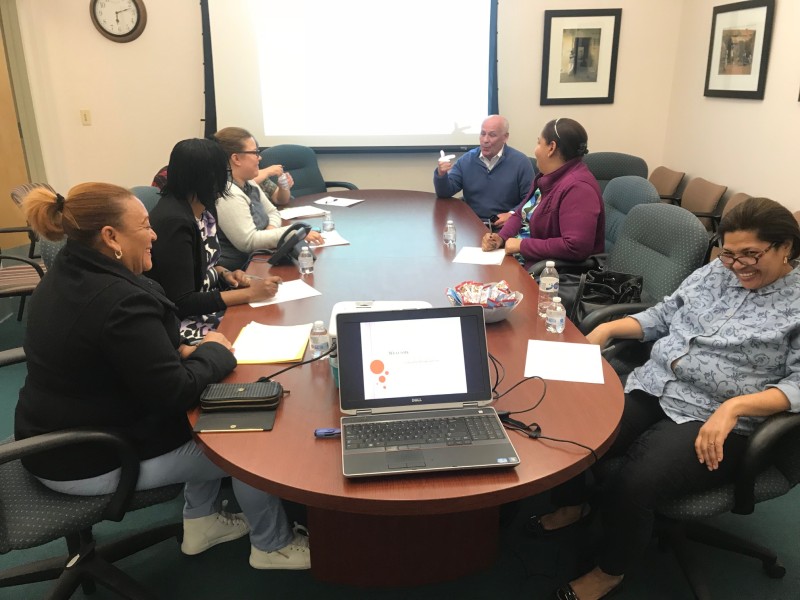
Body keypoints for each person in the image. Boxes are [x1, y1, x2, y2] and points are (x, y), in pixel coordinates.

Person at [15, 183, 310, 570]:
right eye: (144, 225)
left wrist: (184, 350)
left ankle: (201, 524)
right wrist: (216, 353)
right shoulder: (119, 301)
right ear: (111, 236)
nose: (154, 233)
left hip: (48, 437)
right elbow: (176, 393)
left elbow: (120, 352)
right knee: (246, 443)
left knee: (217, 410)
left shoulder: (69, 272)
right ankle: (272, 546)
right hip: (89, 456)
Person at [540, 197, 800, 600]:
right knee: (580, 428)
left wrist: (735, 406)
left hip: (719, 417)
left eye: (751, 254)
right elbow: (662, 316)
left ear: (786, 248)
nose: (737, 265)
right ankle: (574, 504)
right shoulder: (715, 272)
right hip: (657, 383)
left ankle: (611, 570)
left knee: (636, 480)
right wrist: (606, 331)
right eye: (729, 253)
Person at [148, 138, 282, 342]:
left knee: (273, 320)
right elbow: (182, 301)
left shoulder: (205, 206)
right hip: (184, 323)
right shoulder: (173, 222)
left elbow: (206, 263)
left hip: (213, 304)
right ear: (210, 177)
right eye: (223, 171)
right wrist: (250, 294)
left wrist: (226, 274)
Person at [481, 118, 604, 270]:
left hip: (550, 274)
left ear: (551, 148)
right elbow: (521, 214)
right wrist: (500, 237)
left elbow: (575, 247)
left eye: (539, 143)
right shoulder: (546, 177)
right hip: (525, 260)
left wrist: (522, 245)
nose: (536, 149)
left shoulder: (579, 188)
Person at [213, 127, 322, 271]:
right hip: (240, 270)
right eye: (255, 153)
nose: (260, 158)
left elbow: (273, 212)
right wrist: (292, 233)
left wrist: (270, 230)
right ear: (236, 159)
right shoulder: (227, 193)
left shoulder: (248, 182)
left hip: (261, 257)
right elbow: (248, 241)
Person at [433, 115, 534, 224]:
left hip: (505, 227)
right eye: (483, 134)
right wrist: (441, 175)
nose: (485, 140)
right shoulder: (467, 160)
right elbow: (444, 193)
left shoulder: (521, 162)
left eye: (492, 135)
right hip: (472, 224)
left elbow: (532, 200)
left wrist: (512, 214)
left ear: (505, 137)